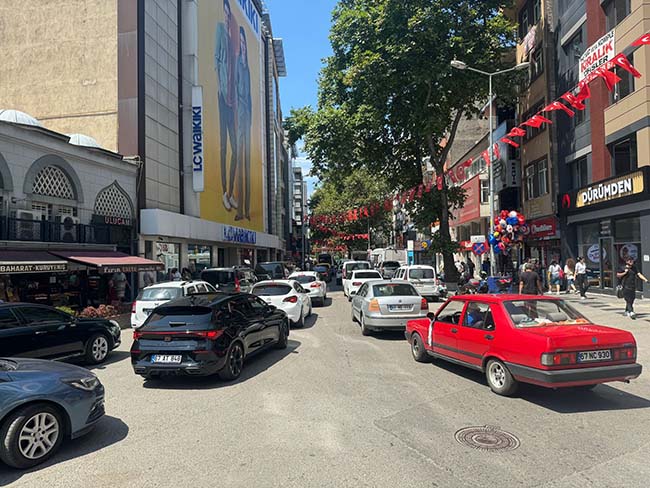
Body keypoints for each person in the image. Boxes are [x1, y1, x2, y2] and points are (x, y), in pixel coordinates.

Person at [215, 0, 239, 212]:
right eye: (224, 13)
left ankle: (230, 193)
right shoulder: (219, 31)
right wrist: (221, 88)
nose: (226, 17)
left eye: (228, 14)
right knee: (223, 148)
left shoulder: (233, 39)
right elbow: (216, 60)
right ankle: (224, 192)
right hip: (222, 98)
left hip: (232, 101)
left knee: (236, 150)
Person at [234, 26, 252, 221]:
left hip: (248, 119)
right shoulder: (238, 64)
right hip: (240, 116)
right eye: (240, 42)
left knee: (248, 165)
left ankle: (246, 210)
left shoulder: (247, 68)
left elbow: (251, 97)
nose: (243, 45)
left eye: (244, 41)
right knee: (241, 164)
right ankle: (240, 210)